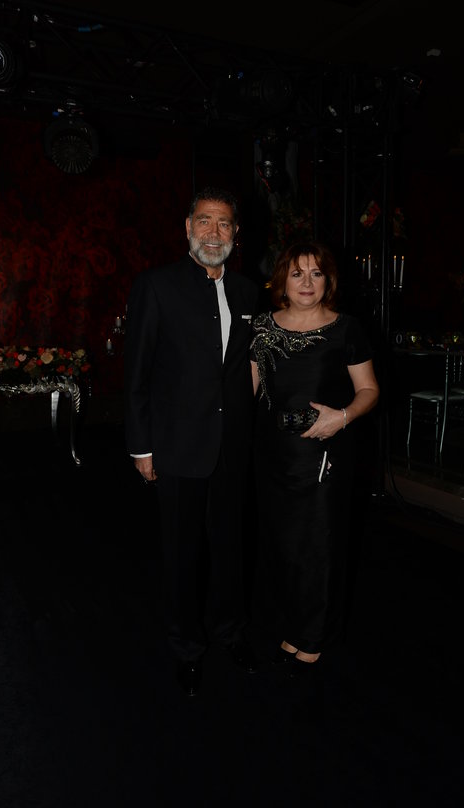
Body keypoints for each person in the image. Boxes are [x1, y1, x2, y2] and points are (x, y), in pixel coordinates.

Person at [124, 186, 259, 696]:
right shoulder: (155, 286)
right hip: (177, 446)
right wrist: (141, 447)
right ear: (187, 227)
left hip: (232, 447)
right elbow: (136, 373)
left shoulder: (248, 293)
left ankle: (231, 631)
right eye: (204, 221)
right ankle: (186, 646)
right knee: (182, 554)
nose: (213, 233)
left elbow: (249, 368)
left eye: (224, 224)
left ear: (236, 233)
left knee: (231, 547)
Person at [250, 241, 379, 674]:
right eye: (297, 273)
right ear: (282, 281)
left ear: (329, 280)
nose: (307, 282)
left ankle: (314, 637)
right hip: (272, 456)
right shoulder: (262, 327)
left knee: (319, 544)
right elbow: (247, 391)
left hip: (325, 454)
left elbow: (369, 390)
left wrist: (342, 417)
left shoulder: (346, 329)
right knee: (281, 543)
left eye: (316, 273)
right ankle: (293, 625)